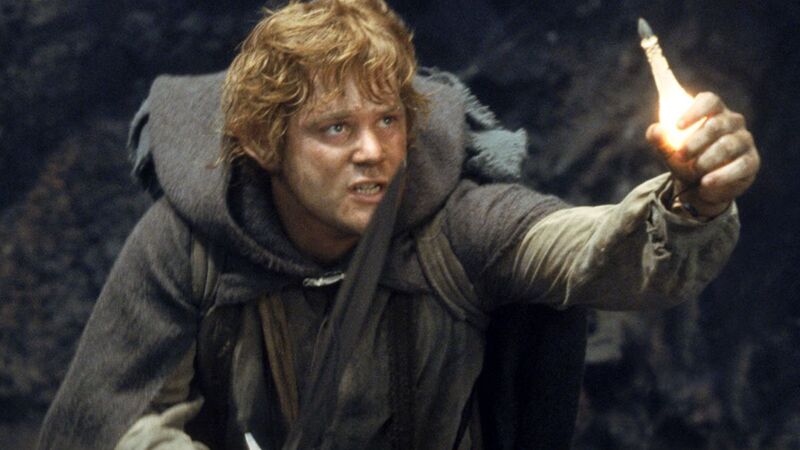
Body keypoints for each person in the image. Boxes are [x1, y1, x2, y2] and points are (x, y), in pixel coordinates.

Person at [38, 0, 759, 449]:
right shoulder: (191, 243)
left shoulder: (455, 223)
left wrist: (690, 201)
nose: (373, 151)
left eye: (388, 120)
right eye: (335, 128)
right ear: (265, 142)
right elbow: (123, 421)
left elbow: (588, 251)